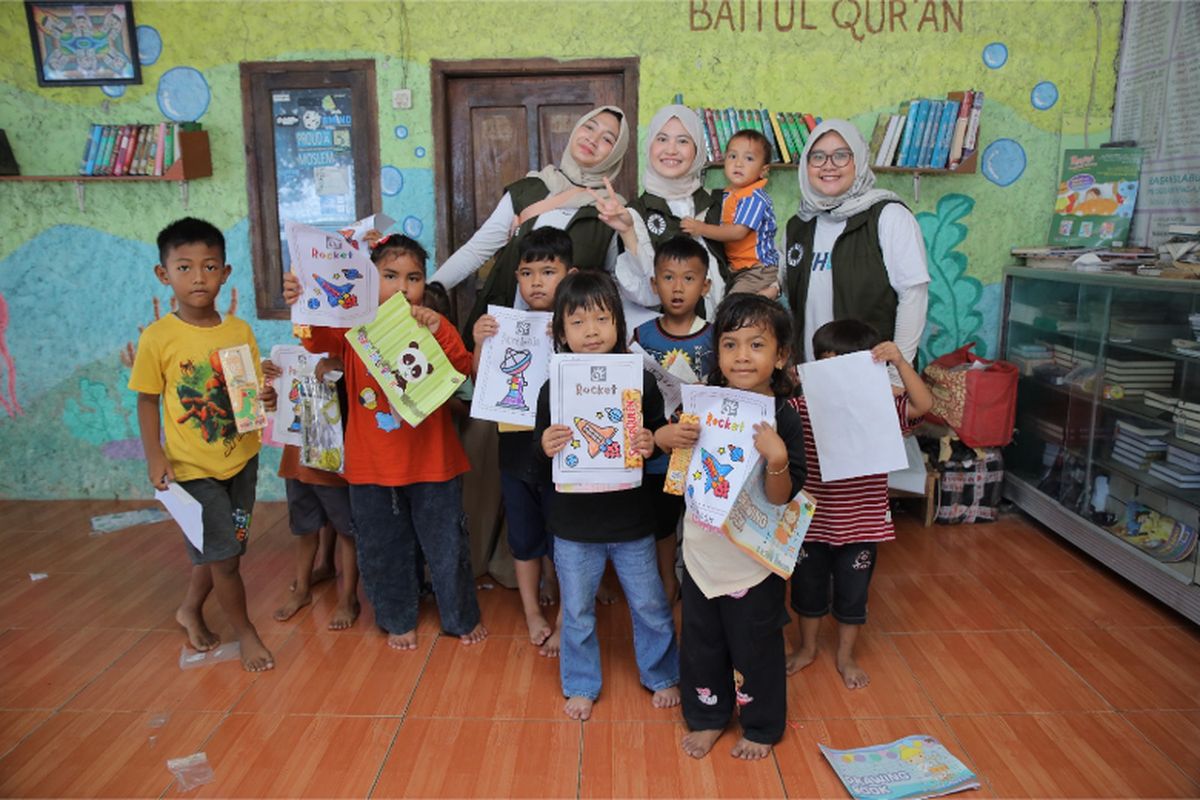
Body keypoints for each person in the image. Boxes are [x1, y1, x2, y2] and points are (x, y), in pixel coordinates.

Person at [282, 234, 486, 651]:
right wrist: (300, 299)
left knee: (447, 545)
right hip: (371, 466)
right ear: (368, 280)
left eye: (413, 278)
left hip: (434, 462)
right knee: (382, 545)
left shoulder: (432, 322)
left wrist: (438, 330)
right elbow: (314, 339)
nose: (402, 287)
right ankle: (397, 617)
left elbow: (463, 367)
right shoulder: (351, 326)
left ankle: (460, 616)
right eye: (389, 276)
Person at [655, 294, 806, 761]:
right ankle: (707, 716)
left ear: (780, 356)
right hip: (702, 551)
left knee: (755, 644)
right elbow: (677, 466)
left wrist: (777, 459)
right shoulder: (702, 402)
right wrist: (666, 437)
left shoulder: (784, 415)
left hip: (752, 560)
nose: (742, 356)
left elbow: (782, 498)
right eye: (730, 344)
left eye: (757, 344)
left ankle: (760, 725)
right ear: (717, 351)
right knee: (701, 641)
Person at [128, 217, 274, 672]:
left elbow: (252, 391)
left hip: (242, 460)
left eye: (209, 267)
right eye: (184, 267)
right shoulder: (158, 337)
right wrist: (155, 456)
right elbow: (147, 400)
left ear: (225, 273)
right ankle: (245, 632)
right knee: (225, 559)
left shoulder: (239, 331)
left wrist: (267, 397)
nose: (198, 278)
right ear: (163, 274)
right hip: (192, 470)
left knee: (223, 547)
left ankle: (189, 609)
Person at [534, 270, 680, 721]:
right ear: (561, 332)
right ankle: (581, 683)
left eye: (601, 318)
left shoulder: (640, 381)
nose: (591, 331)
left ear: (618, 322)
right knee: (577, 610)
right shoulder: (553, 386)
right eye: (577, 322)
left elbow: (656, 432)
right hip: (574, 525)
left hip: (631, 519)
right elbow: (537, 453)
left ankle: (661, 673)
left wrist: (651, 440)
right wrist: (545, 445)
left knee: (650, 603)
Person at [787, 319, 932, 689]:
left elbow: (923, 404)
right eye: (826, 364)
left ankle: (846, 656)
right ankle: (807, 648)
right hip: (811, 523)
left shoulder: (882, 408)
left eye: (846, 365)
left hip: (862, 525)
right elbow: (769, 417)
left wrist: (899, 362)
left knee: (853, 595)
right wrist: (789, 383)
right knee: (807, 590)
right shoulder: (800, 408)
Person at [429, 106, 630, 349]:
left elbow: (614, 284)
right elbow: (477, 249)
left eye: (607, 139)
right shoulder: (529, 190)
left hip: (569, 344)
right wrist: (430, 289)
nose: (593, 139)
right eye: (589, 127)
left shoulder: (613, 210)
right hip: (502, 330)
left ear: (616, 153)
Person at [472, 227, 572, 657]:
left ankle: (566, 613)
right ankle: (532, 611)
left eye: (548, 272)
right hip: (516, 452)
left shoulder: (578, 325)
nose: (536, 282)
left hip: (565, 454)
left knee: (566, 534)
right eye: (527, 273)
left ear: (569, 275)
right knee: (525, 533)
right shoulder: (503, 326)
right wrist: (480, 343)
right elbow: (482, 381)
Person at [784, 119, 930, 365]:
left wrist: (898, 372)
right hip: (813, 373)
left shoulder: (888, 216)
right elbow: (788, 295)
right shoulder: (798, 226)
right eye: (817, 157)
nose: (828, 165)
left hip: (874, 373)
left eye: (841, 155)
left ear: (859, 161)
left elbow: (913, 296)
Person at [630, 235, 714, 602]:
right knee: (662, 525)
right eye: (668, 277)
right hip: (659, 458)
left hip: (703, 454)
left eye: (689, 278)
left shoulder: (717, 337)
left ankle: (698, 584)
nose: (678, 288)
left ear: (705, 286)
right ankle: (667, 580)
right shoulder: (641, 336)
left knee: (701, 522)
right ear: (654, 284)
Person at [595, 104, 728, 326]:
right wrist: (628, 233)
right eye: (662, 139)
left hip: (718, 331)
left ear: (697, 150)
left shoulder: (717, 203)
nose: (671, 150)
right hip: (663, 336)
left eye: (683, 141)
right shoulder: (634, 213)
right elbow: (646, 292)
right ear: (649, 145)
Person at [260, 358, 360, 631]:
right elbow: (273, 400)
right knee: (305, 527)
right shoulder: (293, 352)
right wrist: (269, 377)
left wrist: (338, 366)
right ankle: (302, 588)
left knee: (347, 530)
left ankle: (349, 597)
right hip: (296, 454)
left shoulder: (346, 348)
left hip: (330, 456)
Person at [678, 129, 778, 297]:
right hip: (736, 268)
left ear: (763, 170)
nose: (738, 164)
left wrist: (701, 228)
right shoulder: (727, 194)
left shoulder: (754, 197)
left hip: (758, 269)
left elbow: (737, 232)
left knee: (734, 304)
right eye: (732, 156)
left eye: (749, 158)